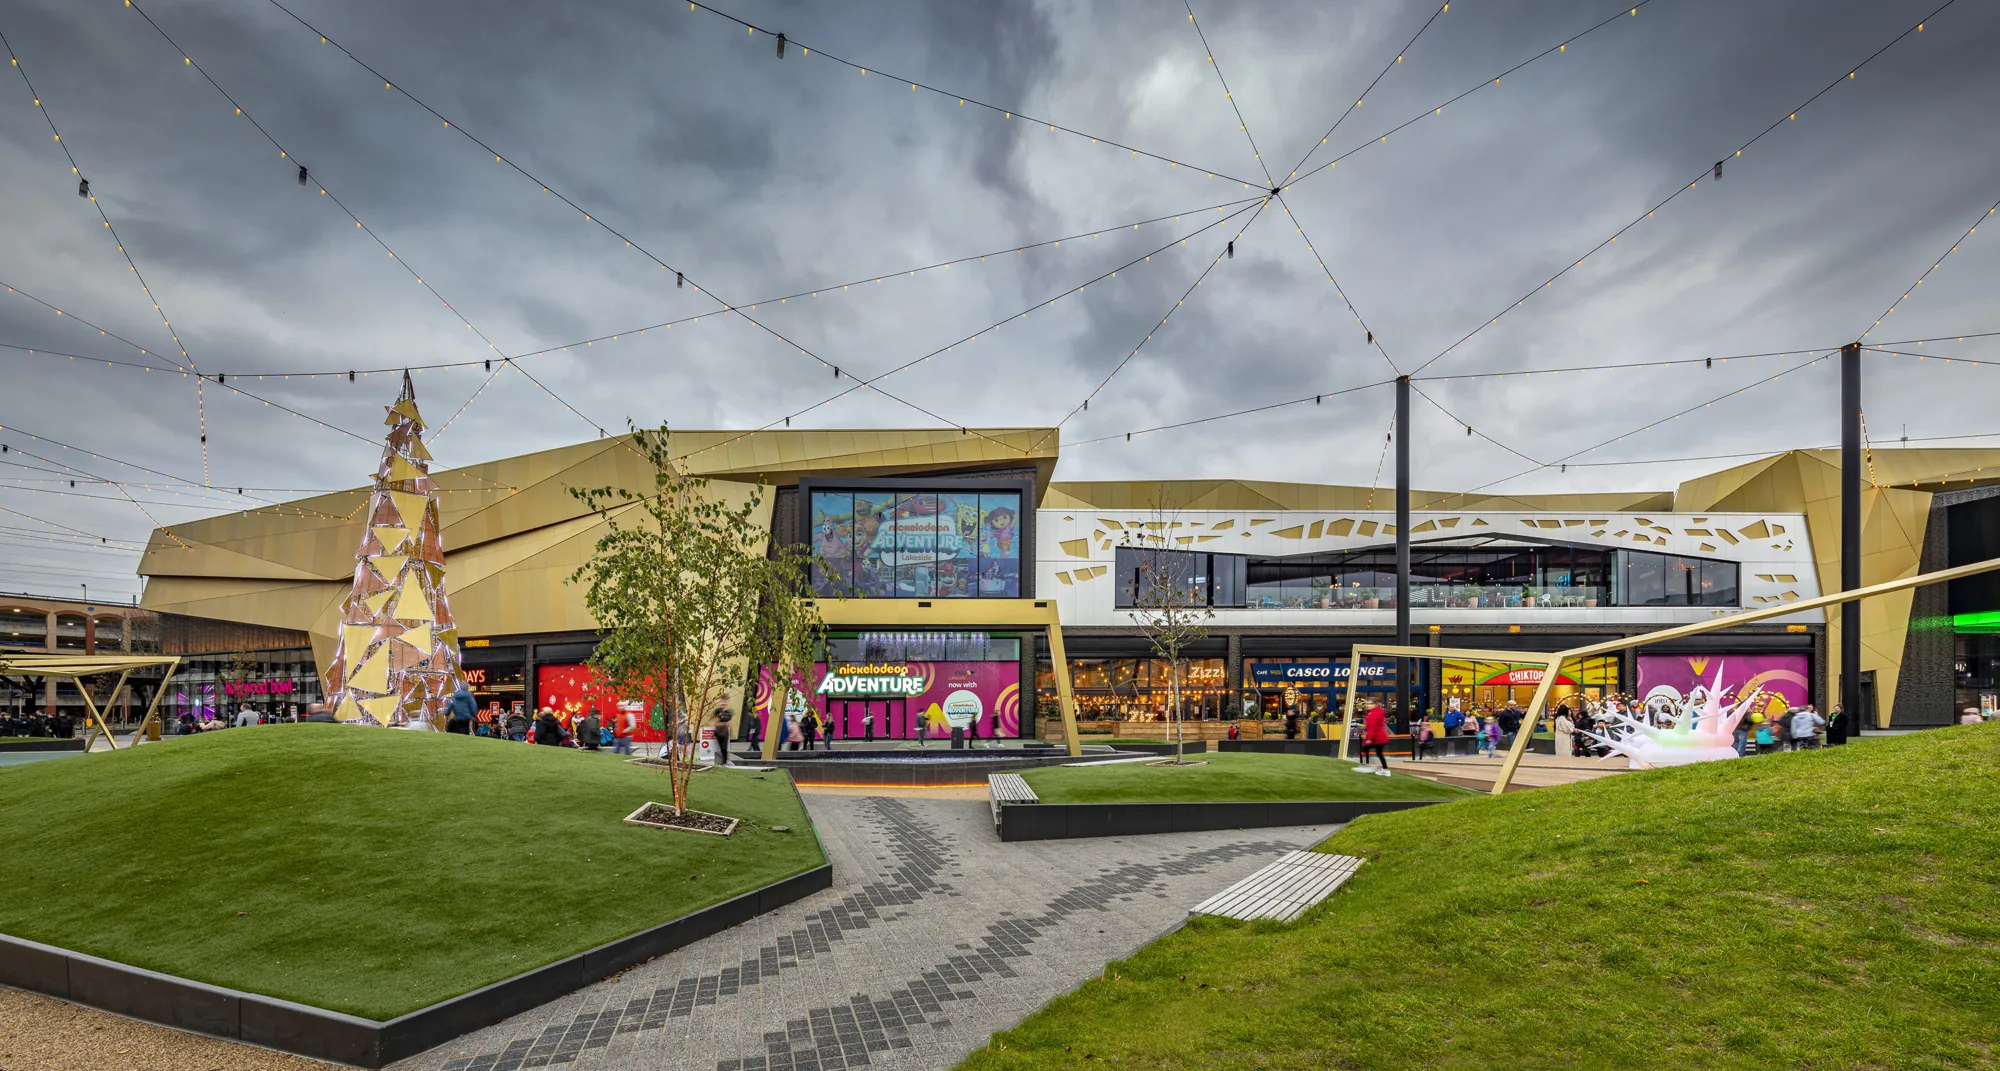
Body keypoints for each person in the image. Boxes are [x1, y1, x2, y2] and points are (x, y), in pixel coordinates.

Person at [1360, 703, 1391, 770]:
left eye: (1370, 704)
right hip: (1381, 737)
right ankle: (1385, 769)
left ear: (1375, 705)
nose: (1367, 705)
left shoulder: (1372, 714)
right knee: (1379, 753)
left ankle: (1369, 765)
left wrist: (1369, 739)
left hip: (1377, 738)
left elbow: (1373, 727)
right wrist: (1365, 727)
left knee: (1365, 748)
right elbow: (1373, 726)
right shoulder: (1377, 712)